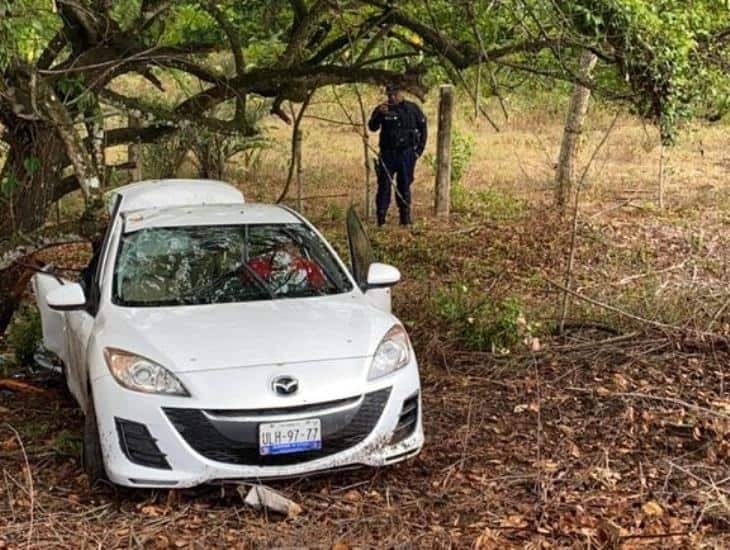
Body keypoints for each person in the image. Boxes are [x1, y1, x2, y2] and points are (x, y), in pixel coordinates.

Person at [368, 83, 427, 227]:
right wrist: (379, 115)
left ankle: (405, 219)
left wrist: (418, 151)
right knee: (384, 186)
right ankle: (381, 219)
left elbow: (423, 129)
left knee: (404, 185)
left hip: (407, 154)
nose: (392, 97)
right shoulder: (383, 108)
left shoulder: (412, 109)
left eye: (394, 94)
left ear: (401, 93)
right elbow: (372, 127)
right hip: (387, 153)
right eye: (389, 95)